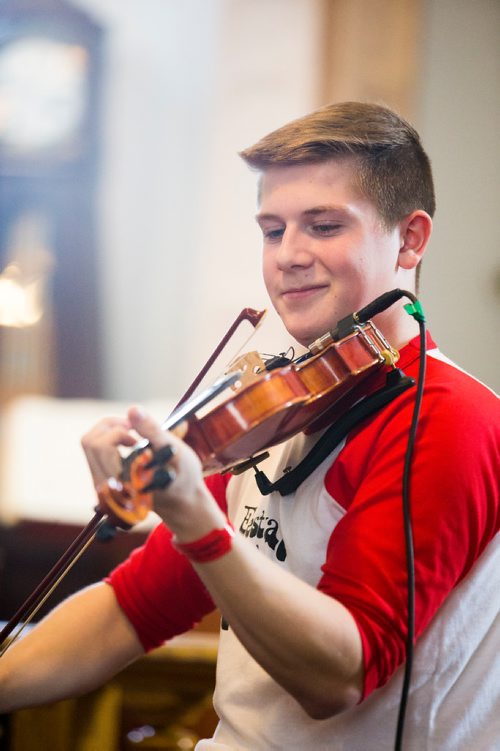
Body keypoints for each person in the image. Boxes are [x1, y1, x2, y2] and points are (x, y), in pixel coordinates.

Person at [0, 102, 498, 750]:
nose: (288, 255)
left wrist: (199, 527)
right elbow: (131, 608)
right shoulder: (279, 407)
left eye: (322, 225)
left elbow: (341, 676)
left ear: (410, 238)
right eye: (271, 229)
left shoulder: (452, 417)